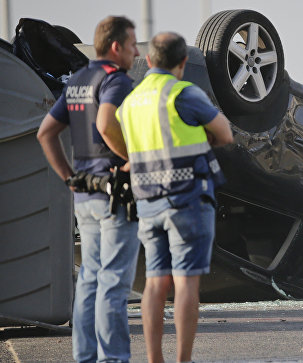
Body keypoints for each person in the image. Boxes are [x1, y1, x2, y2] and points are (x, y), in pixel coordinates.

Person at [107, 32, 233, 363]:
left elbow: (119, 138)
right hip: (188, 197)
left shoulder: (131, 102)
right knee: (186, 281)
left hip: (148, 200)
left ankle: (153, 359)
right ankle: (183, 360)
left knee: (154, 282)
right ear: (181, 64)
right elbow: (225, 133)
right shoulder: (183, 92)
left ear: (148, 61)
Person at [36, 16, 141, 362]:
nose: (135, 51)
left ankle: (86, 358)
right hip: (115, 196)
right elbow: (106, 122)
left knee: (90, 283)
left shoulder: (78, 80)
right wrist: (134, 158)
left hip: (84, 194)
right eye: (131, 44)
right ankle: (113, 359)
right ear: (115, 47)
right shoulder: (117, 81)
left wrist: (68, 176)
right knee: (113, 283)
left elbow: (46, 133)